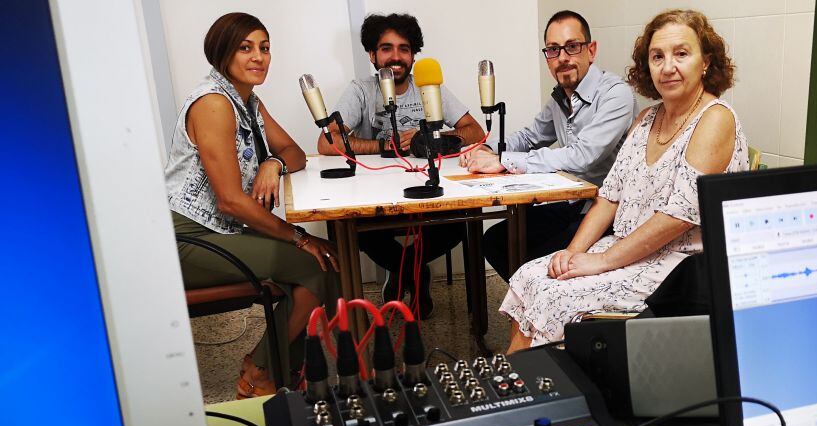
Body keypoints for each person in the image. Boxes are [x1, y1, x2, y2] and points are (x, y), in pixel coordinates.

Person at [500, 9, 749, 353]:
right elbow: (609, 197)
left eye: (681, 53)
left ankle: (529, 390)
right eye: (657, 56)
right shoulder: (648, 118)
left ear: (705, 62)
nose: (667, 66)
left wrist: (602, 260)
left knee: (554, 294)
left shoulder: (715, 119)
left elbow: (677, 217)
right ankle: (522, 386)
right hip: (626, 247)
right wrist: (573, 253)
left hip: (680, 266)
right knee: (531, 276)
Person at [165, 13, 340, 398]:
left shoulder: (247, 101)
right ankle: (259, 371)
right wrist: (298, 237)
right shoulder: (213, 103)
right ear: (222, 54)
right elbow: (229, 201)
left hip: (220, 231)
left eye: (264, 47)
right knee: (312, 264)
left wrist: (272, 163)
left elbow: (294, 153)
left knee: (324, 265)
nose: (258, 57)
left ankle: (282, 376)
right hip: (186, 238)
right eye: (245, 48)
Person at [318, 12, 485, 319]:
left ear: (413, 55)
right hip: (377, 198)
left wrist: (429, 136)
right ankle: (415, 273)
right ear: (372, 54)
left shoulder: (429, 86)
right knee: (358, 230)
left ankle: (403, 271)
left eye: (404, 49)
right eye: (386, 48)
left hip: (427, 192)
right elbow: (327, 142)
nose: (396, 57)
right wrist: (386, 146)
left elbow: (475, 131)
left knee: (461, 221)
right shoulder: (361, 90)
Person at [460, 10, 635, 282]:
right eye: (553, 50)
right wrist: (485, 149)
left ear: (591, 50)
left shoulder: (616, 94)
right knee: (496, 240)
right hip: (571, 203)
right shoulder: (560, 98)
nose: (562, 57)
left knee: (536, 262)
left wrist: (505, 161)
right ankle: (535, 311)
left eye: (572, 47)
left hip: (606, 211)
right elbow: (530, 136)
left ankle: (546, 309)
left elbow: (583, 157)